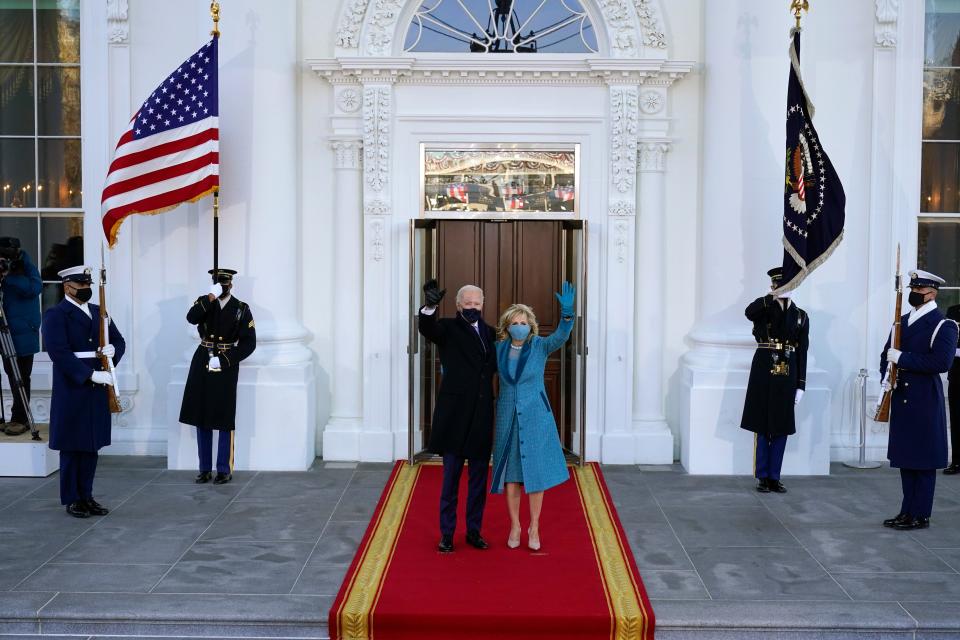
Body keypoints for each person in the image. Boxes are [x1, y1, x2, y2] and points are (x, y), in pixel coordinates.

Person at [490, 282, 575, 551]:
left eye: (524, 322)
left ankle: (534, 526)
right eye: (515, 322)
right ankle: (515, 525)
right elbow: (478, 366)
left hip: (536, 416)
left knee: (535, 474)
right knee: (512, 476)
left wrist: (568, 314)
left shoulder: (539, 345)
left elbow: (560, 337)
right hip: (507, 416)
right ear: (507, 326)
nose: (520, 326)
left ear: (531, 326)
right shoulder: (499, 348)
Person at [418, 280, 497, 553]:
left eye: (477, 303)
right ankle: (447, 534)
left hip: (481, 417)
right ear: (458, 305)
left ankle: (474, 531)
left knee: (478, 481)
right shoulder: (448, 329)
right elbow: (427, 328)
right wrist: (429, 307)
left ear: (483, 305)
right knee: (450, 480)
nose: (473, 307)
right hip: (454, 418)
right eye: (468, 303)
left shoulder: (490, 333)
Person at [42, 265, 125, 518]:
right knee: (71, 445)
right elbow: (59, 353)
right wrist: (89, 374)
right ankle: (72, 498)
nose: (86, 290)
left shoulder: (99, 312)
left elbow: (118, 341)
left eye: (89, 286)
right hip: (73, 385)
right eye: (81, 286)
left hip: (98, 387)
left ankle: (86, 495)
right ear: (67, 287)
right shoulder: (56, 314)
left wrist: (113, 352)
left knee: (91, 444)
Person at [880, 270, 958, 530]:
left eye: (919, 290)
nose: (914, 294)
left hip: (925, 399)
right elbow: (886, 354)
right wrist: (885, 379)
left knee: (923, 461)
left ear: (932, 293)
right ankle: (906, 511)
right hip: (902, 395)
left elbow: (941, 362)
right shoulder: (900, 321)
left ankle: (921, 514)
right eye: (913, 289)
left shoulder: (943, 325)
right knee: (907, 457)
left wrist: (902, 359)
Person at [179, 268, 256, 485]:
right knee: (201, 414)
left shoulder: (241, 309)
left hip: (225, 362)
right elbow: (191, 318)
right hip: (203, 359)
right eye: (218, 285)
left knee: (223, 415)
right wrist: (210, 297)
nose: (222, 288)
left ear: (231, 285)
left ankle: (224, 468)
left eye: (225, 285)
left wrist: (225, 359)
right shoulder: (205, 302)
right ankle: (204, 468)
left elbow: (249, 343)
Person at [739, 267, 809, 494]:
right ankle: (762, 475)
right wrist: (770, 298)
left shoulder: (801, 316)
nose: (782, 290)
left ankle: (774, 476)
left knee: (780, 427)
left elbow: (803, 352)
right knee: (762, 425)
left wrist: (801, 384)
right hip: (764, 368)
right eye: (778, 286)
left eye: (786, 286)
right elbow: (749, 312)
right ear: (772, 287)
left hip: (787, 370)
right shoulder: (765, 307)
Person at [0, 237, 41, 436]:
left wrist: (9, 277)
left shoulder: (26, 266)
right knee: (9, 373)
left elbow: (34, 289)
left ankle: (20, 418)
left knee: (20, 376)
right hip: (3, 328)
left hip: (22, 331)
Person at [944, 301, 960, 475]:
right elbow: (948, 341)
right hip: (957, 376)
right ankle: (957, 461)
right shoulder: (954, 310)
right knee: (956, 420)